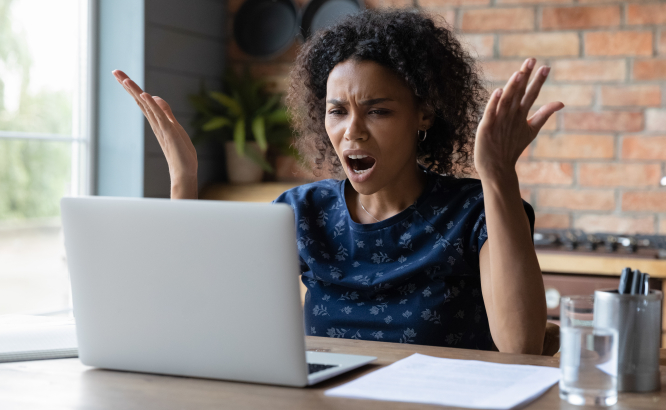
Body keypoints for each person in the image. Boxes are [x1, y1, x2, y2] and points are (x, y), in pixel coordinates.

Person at [112, 8, 563, 354]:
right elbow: (208, 317)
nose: (353, 131)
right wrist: (183, 179)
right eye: (338, 110)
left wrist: (499, 174)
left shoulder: (476, 210)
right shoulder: (302, 211)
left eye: (378, 110)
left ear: (423, 114)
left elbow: (521, 346)